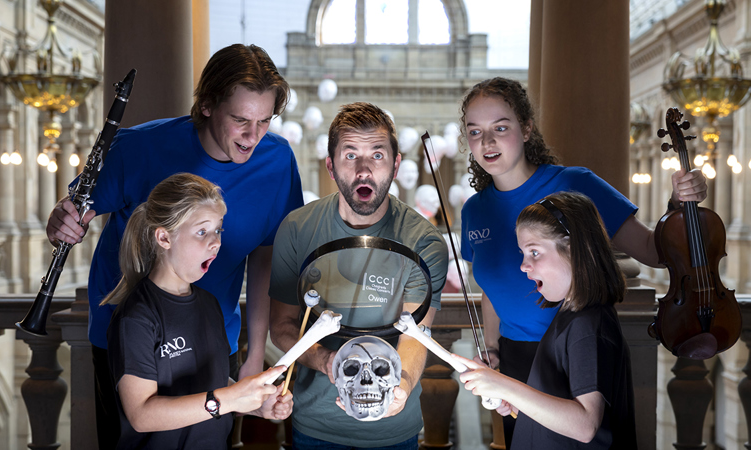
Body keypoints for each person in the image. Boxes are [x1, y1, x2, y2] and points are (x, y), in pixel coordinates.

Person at [45, 44, 303, 448]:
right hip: (130, 336)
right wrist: (61, 222)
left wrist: (254, 354)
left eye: (264, 121)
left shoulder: (277, 161)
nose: (253, 136)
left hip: (215, 336)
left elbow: (266, 256)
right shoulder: (137, 147)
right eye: (239, 120)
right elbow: (73, 214)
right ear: (206, 106)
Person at [458, 77, 707, 447]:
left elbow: (655, 253)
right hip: (515, 360)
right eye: (475, 132)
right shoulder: (474, 211)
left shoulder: (575, 183)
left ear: (526, 129)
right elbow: (492, 291)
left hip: (574, 351)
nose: (487, 142)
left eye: (500, 127)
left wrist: (679, 205)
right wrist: (492, 350)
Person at [269, 102, 449, 449]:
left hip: (396, 431)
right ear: (331, 167)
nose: (364, 170)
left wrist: (403, 386)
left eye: (377, 155)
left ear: (396, 165)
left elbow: (415, 333)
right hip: (315, 425)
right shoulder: (296, 229)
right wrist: (327, 361)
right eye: (350, 156)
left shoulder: (423, 241)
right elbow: (282, 326)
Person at [105, 173, 293, 449]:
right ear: (164, 237)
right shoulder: (137, 317)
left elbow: (213, 384)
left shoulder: (209, 304)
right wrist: (229, 399)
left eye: (218, 230)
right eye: (202, 232)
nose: (216, 242)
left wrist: (254, 404)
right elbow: (142, 415)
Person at [456, 191, 636, 449]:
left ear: (575, 250)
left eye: (534, 252)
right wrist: (521, 402)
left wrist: (505, 386)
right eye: (522, 253)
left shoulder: (588, 325)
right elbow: (562, 404)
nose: (523, 265)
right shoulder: (570, 315)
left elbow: (585, 425)